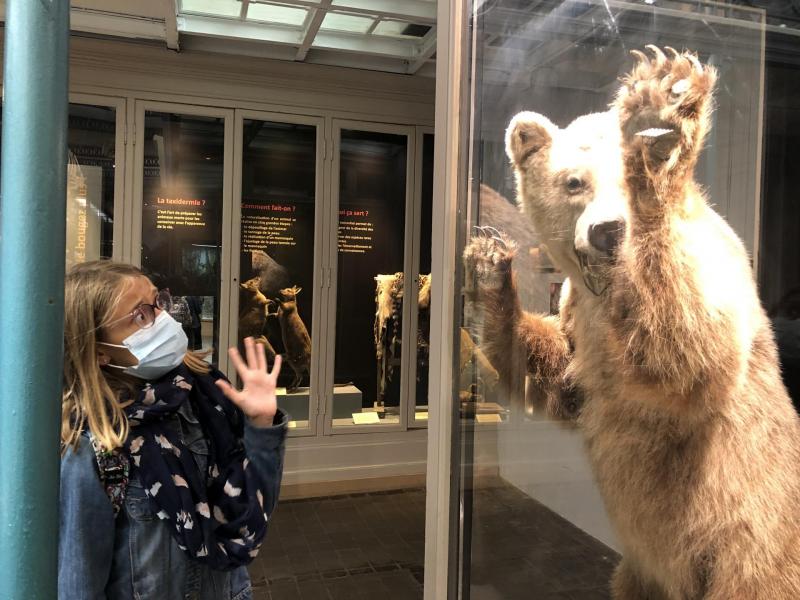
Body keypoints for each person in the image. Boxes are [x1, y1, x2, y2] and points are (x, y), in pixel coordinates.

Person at [59, 260, 287, 599]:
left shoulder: (204, 394)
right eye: (140, 315)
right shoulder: (97, 444)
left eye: (158, 302)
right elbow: (80, 583)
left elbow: (251, 509)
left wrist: (260, 425)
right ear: (100, 350)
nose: (163, 318)